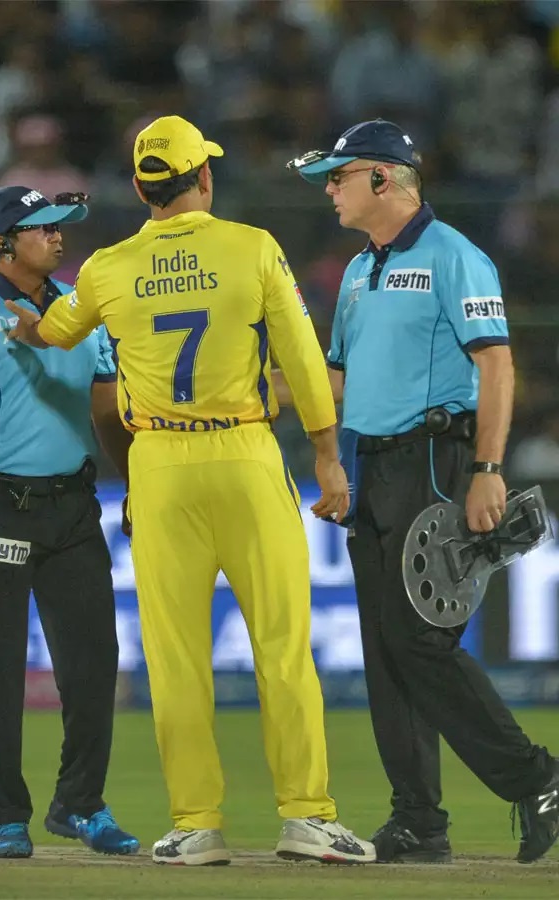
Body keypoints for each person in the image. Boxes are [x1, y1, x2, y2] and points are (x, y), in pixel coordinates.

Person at [4, 116, 376, 866]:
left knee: (175, 659)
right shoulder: (254, 248)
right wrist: (330, 455)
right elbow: (303, 359)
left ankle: (195, 824)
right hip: (243, 454)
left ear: (142, 188)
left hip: (160, 466)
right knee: (282, 648)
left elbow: (60, 329)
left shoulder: (108, 267)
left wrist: (26, 328)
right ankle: (307, 816)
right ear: (203, 178)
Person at [289, 118, 559, 864]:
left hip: (435, 460)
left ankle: (538, 779)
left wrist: (488, 468)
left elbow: (497, 367)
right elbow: (336, 378)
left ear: (383, 177)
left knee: (419, 640)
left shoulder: (453, 256)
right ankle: (419, 820)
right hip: (373, 467)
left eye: (338, 177)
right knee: (387, 648)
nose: (329, 191)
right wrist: (313, 440)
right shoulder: (356, 269)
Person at [0, 185, 138, 860]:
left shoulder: (81, 312)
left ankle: (81, 805)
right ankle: (5, 815)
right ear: (2, 242)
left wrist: (136, 482)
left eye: (59, 227)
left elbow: (106, 409)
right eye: (42, 227)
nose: (58, 236)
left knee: (94, 662)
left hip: (73, 505)